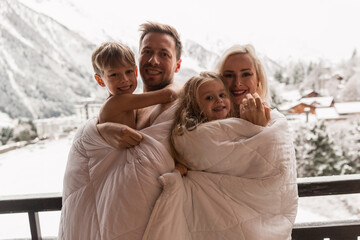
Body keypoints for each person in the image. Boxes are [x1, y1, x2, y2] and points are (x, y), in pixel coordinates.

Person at [142, 45, 298, 240]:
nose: (237, 83)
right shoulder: (198, 119)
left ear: (258, 80)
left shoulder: (275, 122)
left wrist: (256, 130)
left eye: (246, 74)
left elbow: (274, 175)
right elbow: (188, 145)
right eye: (229, 75)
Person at [58, 22, 184, 239]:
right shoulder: (125, 104)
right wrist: (99, 131)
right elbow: (91, 143)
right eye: (147, 52)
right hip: (111, 210)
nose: (153, 60)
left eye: (164, 53)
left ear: (177, 65)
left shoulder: (184, 103)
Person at [91, 41, 177, 128]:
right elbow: (169, 95)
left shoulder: (130, 102)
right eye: (114, 75)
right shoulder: (116, 103)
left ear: (135, 72)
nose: (124, 79)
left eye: (129, 72)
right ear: (100, 80)